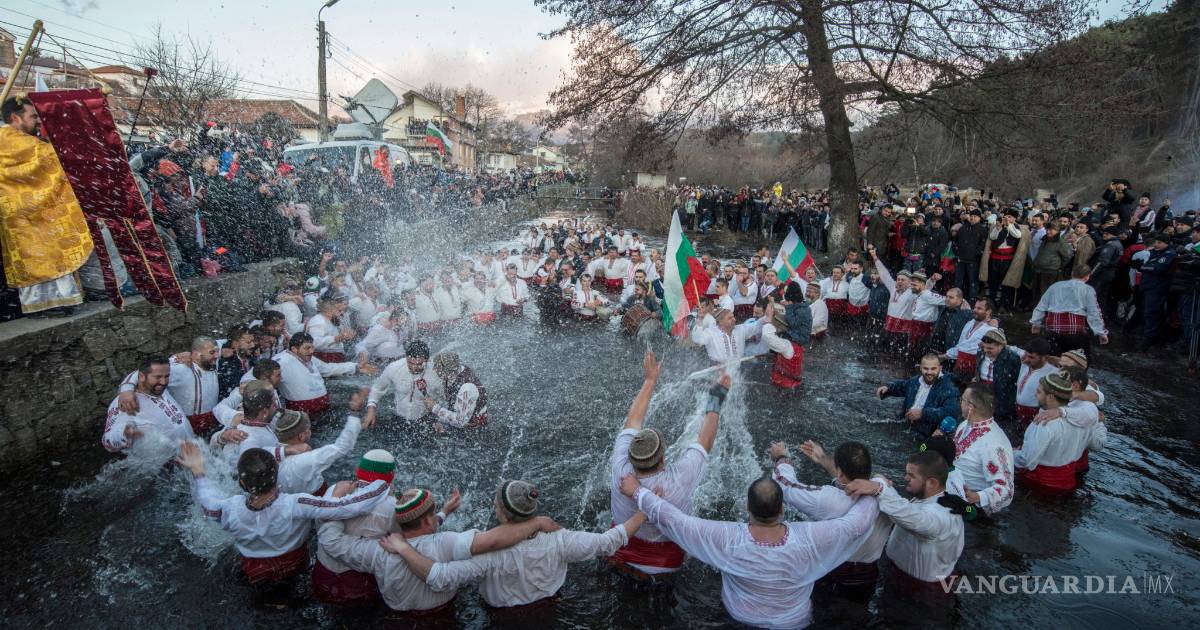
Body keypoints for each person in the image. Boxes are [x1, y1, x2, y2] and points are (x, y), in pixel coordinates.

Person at [618, 472, 879, 629]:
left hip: (738, 619)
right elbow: (857, 523)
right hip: (793, 623)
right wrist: (877, 486)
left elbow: (675, 520)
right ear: (782, 510)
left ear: (747, 508)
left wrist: (637, 491)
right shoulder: (810, 538)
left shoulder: (729, 539)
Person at [380, 479, 647, 609]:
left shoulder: (490, 555)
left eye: (496, 505)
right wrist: (646, 509)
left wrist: (403, 548)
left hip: (503, 619)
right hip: (549, 610)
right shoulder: (561, 539)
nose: (494, 506)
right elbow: (609, 541)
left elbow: (440, 577)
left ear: (504, 515)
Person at [317, 485, 561, 615]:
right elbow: (492, 542)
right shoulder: (445, 543)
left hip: (398, 620)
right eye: (433, 514)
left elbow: (331, 541)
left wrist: (336, 503)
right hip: (443, 618)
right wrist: (536, 523)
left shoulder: (378, 550)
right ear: (426, 521)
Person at [178, 442, 391, 585]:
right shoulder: (295, 504)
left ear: (242, 482)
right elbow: (347, 507)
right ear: (276, 474)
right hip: (295, 568)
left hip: (255, 574)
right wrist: (380, 484)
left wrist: (198, 471)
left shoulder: (229, 509)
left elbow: (208, 503)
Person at [609, 352, 726, 578]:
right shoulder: (680, 477)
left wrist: (650, 380)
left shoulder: (621, 467)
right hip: (665, 561)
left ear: (630, 453)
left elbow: (633, 420)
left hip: (619, 549)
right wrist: (717, 395)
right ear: (663, 458)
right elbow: (705, 440)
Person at [0, 96, 92, 315]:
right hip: (22, 212)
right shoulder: (10, 139)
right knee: (39, 256)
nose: (38, 122)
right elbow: (48, 158)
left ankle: (56, 300)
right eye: (33, 116)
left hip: (29, 211)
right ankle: (47, 303)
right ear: (15, 117)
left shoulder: (17, 139)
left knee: (50, 251)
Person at [769, 440, 893, 599]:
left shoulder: (827, 499)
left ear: (840, 472)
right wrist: (823, 459)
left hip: (834, 570)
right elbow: (846, 480)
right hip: (868, 576)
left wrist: (781, 458)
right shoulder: (886, 494)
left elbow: (786, 487)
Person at [843, 450, 965, 593]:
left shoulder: (943, 515)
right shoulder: (928, 498)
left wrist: (880, 489)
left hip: (921, 592)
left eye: (911, 475)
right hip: (900, 577)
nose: (905, 478)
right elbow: (906, 511)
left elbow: (915, 519)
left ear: (932, 483)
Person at [274, 388, 373, 495]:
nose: (310, 431)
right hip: (315, 499)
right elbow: (342, 447)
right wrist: (354, 412)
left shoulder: (269, 453)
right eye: (308, 429)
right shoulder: (304, 461)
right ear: (301, 436)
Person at [116, 337, 222, 435]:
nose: (217, 355)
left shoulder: (212, 362)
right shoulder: (181, 369)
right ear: (196, 354)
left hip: (211, 421)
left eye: (217, 351)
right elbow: (144, 372)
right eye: (212, 352)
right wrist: (126, 390)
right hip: (188, 424)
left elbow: (223, 342)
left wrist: (226, 348)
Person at [1014, 372, 1099, 494]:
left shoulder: (1043, 423)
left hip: (1039, 485)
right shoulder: (1083, 420)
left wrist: (1011, 453)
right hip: (1069, 483)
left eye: (1039, 392)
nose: (1035, 394)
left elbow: (1026, 461)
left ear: (1051, 397)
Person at [102, 356, 199, 454]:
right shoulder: (127, 402)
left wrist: (177, 358)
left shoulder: (160, 390)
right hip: (163, 461)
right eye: (158, 377)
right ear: (141, 376)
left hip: (192, 455)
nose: (163, 382)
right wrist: (123, 435)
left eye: (166, 376)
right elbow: (107, 442)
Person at [274, 332, 377, 415]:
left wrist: (356, 367)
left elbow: (328, 369)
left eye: (312, 347)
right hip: (301, 412)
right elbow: (268, 384)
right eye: (307, 348)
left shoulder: (307, 357)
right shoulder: (281, 362)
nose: (311, 351)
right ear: (294, 349)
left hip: (322, 407)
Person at [950, 384, 1015, 516]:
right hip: (950, 492)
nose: (960, 403)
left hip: (970, 509)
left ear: (970, 407)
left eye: (962, 400)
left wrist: (977, 496)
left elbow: (1006, 491)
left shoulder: (993, 445)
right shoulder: (965, 424)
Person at [1031, 265, 1110, 359]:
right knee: (1077, 360)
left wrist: (1036, 323)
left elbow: (1041, 306)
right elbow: (1094, 312)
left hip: (1053, 330)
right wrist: (1101, 332)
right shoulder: (1088, 289)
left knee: (1052, 359)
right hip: (1075, 332)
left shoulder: (1055, 286)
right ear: (1087, 277)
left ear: (1072, 274)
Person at [877, 354, 961, 437]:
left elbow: (952, 412)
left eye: (933, 369)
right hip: (905, 425)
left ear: (940, 368)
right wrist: (888, 388)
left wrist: (922, 413)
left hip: (928, 434)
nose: (929, 372)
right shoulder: (915, 381)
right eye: (926, 368)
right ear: (920, 368)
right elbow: (903, 386)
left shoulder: (949, 388)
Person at [366, 339, 444, 425]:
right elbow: (377, 388)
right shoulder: (394, 368)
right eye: (410, 363)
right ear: (406, 357)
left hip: (424, 420)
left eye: (419, 364)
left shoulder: (436, 376)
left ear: (427, 360)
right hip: (397, 417)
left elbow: (443, 400)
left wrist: (439, 421)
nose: (414, 368)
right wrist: (371, 409)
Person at [424, 351, 488, 430]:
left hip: (471, 429)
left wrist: (435, 408)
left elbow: (461, 421)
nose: (434, 369)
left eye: (437, 367)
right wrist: (439, 420)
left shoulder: (466, 389)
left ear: (446, 370)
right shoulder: (453, 373)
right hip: (461, 417)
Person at [1136, 232, 1177, 351]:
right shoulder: (1155, 252)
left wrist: (1142, 267)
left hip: (1157, 288)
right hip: (1148, 286)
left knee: (1151, 313)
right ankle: (1150, 335)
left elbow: (1158, 268)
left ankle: (1149, 338)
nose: (1156, 245)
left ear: (1166, 243)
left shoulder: (1169, 254)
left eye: (1159, 243)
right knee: (1146, 311)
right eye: (1155, 242)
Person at [941, 299, 996, 382]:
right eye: (975, 307)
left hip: (975, 372)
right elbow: (961, 346)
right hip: (959, 368)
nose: (975, 310)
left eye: (979, 308)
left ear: (988, 312)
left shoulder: (991, 329)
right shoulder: (969, 323)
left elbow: (993, 354)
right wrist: (945, 356)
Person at [690, 306, 766, 364]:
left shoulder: (740, 329)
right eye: (730, 318)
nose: (734, 320)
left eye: (733, 317)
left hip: (739, 371)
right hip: (718, 372)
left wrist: (769, 314)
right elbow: (698, 340)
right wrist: (700, 320)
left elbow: (757, 325)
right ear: (720, 322)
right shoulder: (710, 333)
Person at [976, 329, 1021, 425]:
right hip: (983, 399)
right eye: (984, 347)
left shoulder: (1012, 359)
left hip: (1002, 403)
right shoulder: (981, 353)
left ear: (1001, 346)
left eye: (990, 348)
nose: (986, 350)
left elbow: (1015, 382)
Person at [762, 302, 810, 389]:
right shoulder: (793, 341)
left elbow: (767, 336)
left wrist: (768, 319)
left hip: (785, 390)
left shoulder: (787, 346)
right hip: (791, 387)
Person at [306, 295, 356, 363]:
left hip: (334, 354)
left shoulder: (330, 319)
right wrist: (335, 338)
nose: (342, 313)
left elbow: (336, 336)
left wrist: (344, 336)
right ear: (328, 311)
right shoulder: (318, 321)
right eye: (338, 311)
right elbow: (314, 343)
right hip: (324, 357)